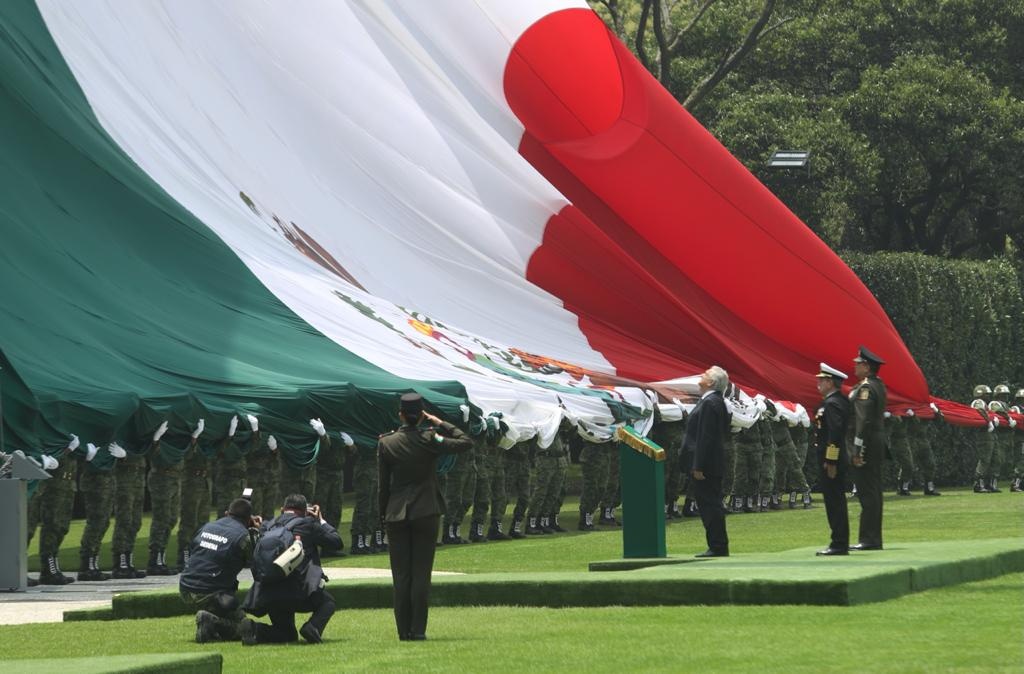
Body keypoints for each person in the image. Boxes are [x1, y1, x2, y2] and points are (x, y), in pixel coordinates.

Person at [377, 393, 474, 641]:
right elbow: (465, 442)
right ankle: (418, 630)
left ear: (400, 414)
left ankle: (403, 631)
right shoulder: (430, 437)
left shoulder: (387, 442)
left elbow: (383, 486)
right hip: (426, 510)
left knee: (401, 575)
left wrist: (383, 514)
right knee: (421, 573)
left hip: (396, 513)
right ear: (421, 415)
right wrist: (440, 422)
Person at [240, 494, 342, 644]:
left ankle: (254, 629)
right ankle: (312, 628)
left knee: (287, 635)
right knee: (328, 603)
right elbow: (336, 542)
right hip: (299, 592)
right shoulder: (308, 524)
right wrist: (321, 521)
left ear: (282, 509)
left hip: (269, 592)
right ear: (304, 511)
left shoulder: (266, 526)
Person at [179, 498, 261, 643]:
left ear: (226, 513)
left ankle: (210, 623)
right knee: (244, 627)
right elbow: (258, 560)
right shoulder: (243, 537)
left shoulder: (207, 526)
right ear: (249, 520)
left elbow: (192, 550)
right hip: (211, 593)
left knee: (236, 615)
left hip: (185, 587)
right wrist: (257, 533)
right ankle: (211, 621)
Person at [682, 365, 731, 558]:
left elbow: (706, 437)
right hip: (711, 463)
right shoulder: (714, 401)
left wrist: (699, 465)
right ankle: (718, 545)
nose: (700, 376)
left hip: (707, 465)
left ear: (711, 382)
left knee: (710, 505)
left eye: (704, 374)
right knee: (710, 504)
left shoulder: (710, 403)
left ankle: (718, 546)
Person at [848, 346, 887, 551]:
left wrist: (857, 451)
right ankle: (872, 538)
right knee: (873, 492)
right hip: (875, 441)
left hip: (868, 444)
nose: (855, 366)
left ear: (866, 366)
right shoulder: (877, 385)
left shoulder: (866, 388)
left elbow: (862, 422)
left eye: (858, 364)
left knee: (867, 493)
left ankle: (869, 539)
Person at [813, 363, 851, 556]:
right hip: (831, 458)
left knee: (834, 501)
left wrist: (831, 461)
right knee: (834, 500)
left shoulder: (833, 403)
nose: (818, 383)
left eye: (821, 380)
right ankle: (839, 541)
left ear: (830, 382)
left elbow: (834, 435)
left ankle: (838, 543)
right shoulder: (836, 401)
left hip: (831, 460)